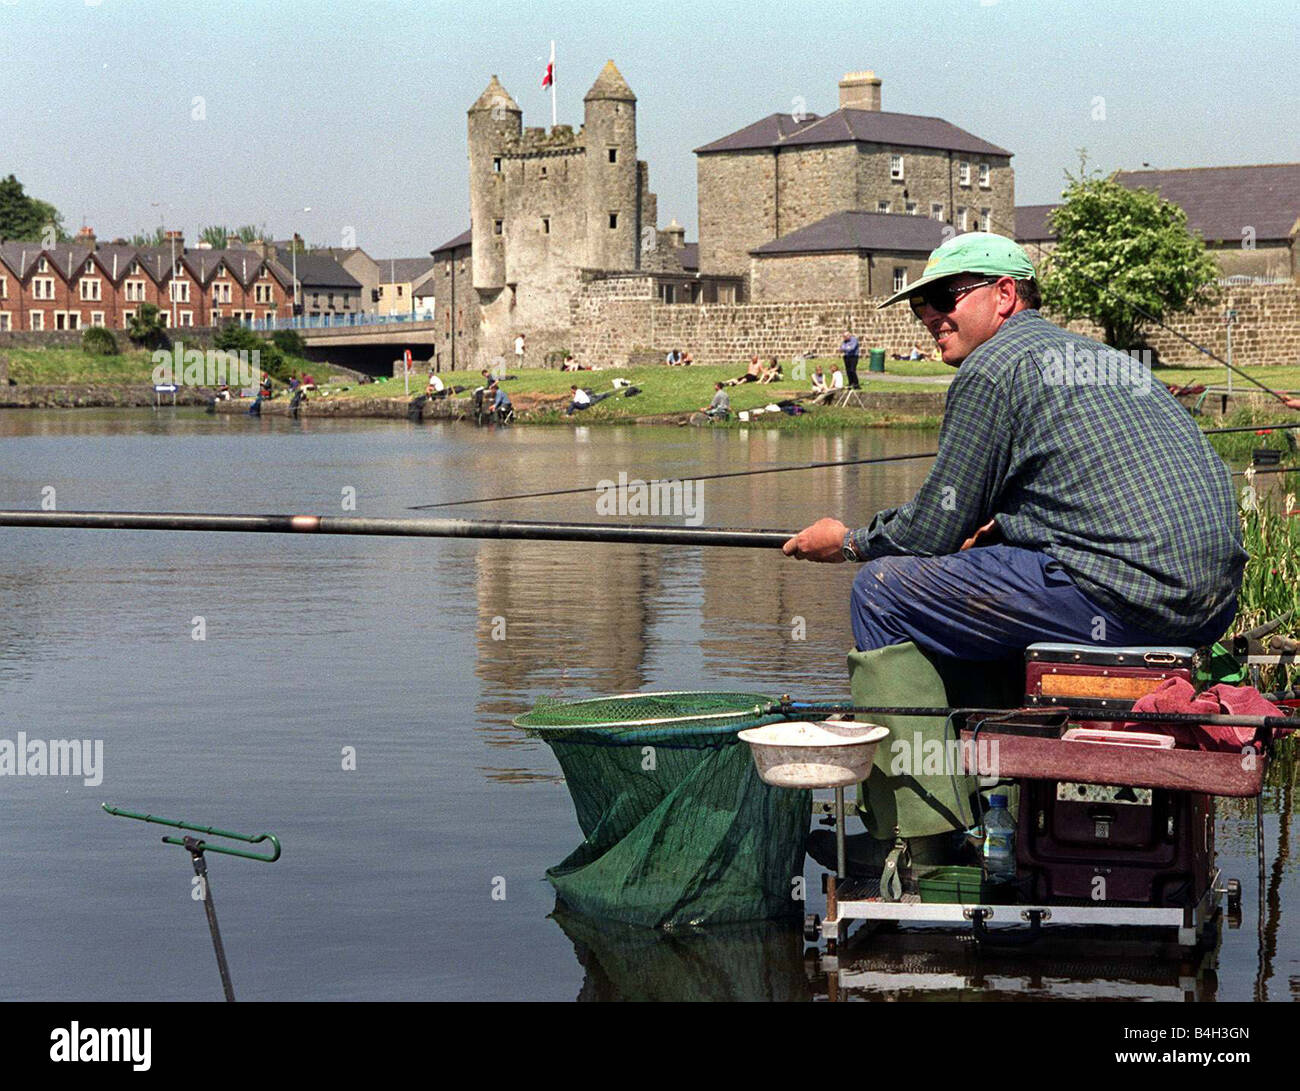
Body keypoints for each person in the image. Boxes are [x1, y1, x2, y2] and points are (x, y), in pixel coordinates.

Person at [783, 231, 1246, 874]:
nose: (930, 317)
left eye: (946, 296)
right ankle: (994, 790)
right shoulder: (1097, 357)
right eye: (919, 306)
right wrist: (1004, 530)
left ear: (1005, 295)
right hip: (1205, 605)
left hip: (1124, 593)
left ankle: (920, 840)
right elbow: (1083, 490)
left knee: (885, 588)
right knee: (958, 578)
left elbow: (932, 528)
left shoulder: (992, 367)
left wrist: (850, 542)